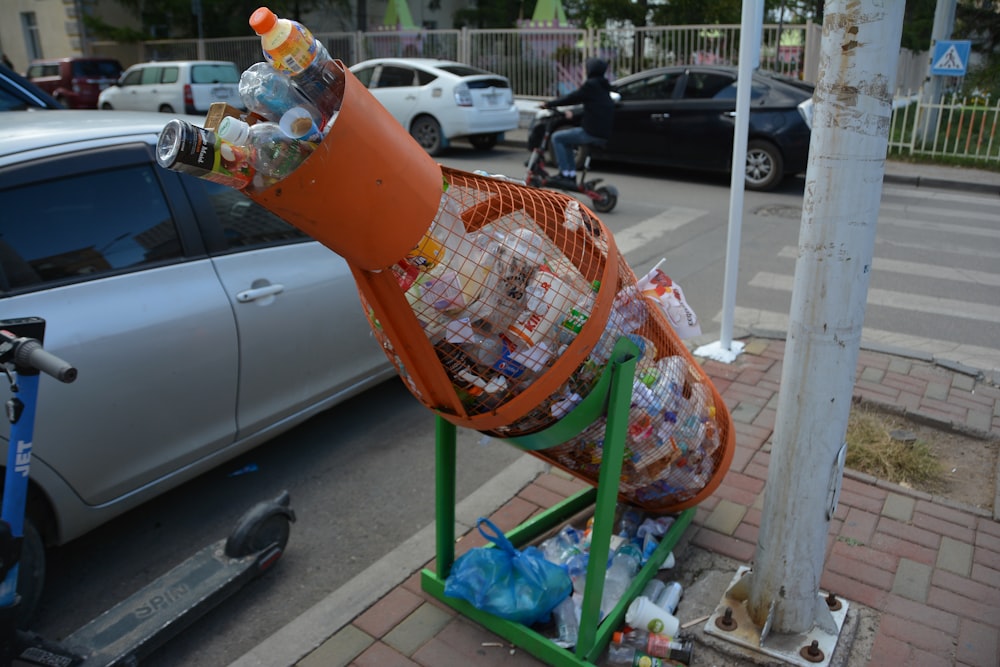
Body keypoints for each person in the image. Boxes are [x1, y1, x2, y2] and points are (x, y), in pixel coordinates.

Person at [543, 58, 615, 189]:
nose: (585, 71)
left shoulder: (591, 85)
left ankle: (565, 175)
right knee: (568, 141)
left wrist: (549, 104)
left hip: (590, 132)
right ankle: (570, 174)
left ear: (591, 70)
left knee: (557, 138)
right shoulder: (603, 86)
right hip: (601, 132)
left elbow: (573, 97)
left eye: (586, 68)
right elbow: (592, 106)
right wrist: (573, 113)